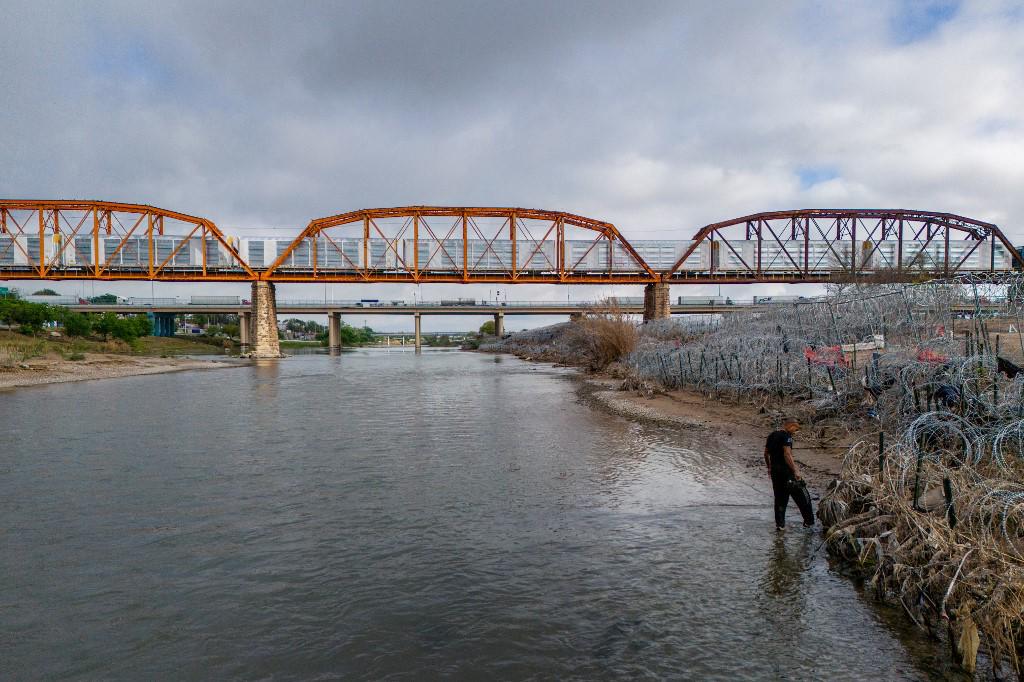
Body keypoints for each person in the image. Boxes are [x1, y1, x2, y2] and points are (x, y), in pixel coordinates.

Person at [764, 417, 814, 531]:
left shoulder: (771, 435)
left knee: (780, 499)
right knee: (803, 496)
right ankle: (809, 523)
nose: (795, 432)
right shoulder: (787, 437)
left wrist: (769, 467)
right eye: (795, 429)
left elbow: (765, 453)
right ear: (790, 425)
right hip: (787, 472)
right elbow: (787, 454)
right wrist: (796, 471)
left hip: (775, 473)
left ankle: (780, 525)